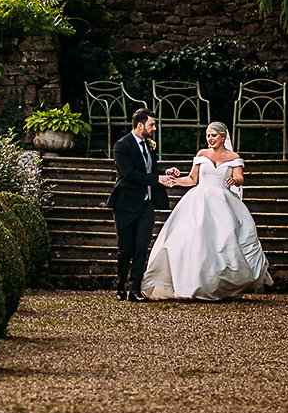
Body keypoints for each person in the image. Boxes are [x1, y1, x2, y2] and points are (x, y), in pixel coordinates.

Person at [140, 120, 274, 300]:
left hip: (222, 201)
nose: (210, 139)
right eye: (208, 136)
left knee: (223, 240)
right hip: (199, 200)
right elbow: (192, 179)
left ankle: (218, 284)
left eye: (214, 135)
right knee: (193, 240)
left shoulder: (233, 157)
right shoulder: (202, 154)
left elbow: (240, 178)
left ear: (223, 137)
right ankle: (192, 283)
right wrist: (174, 181)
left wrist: (235, 181)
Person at [107, 108, 169, 300]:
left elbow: (151, 169)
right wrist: (158, 179)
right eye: (152, 124)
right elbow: (131, 174)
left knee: (142, 246)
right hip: (125, 203)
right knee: (125, 248)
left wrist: (166, 172)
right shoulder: (121, 146)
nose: (155, 128)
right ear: (140, 124)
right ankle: (120, 287)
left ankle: (135, 289)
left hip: (146, 205)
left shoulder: (149, 145)